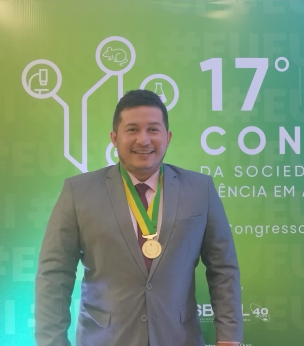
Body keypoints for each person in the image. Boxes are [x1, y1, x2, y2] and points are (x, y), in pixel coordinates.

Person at [35, 89, 243, 346]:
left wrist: (229, 338)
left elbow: (223, 269)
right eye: (132, 129)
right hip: (104, 339)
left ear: (167, 137)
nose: (143, 140)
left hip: (180, 338)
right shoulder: (78, 192)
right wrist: (51, 341)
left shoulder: (200, 190)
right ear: (114, 137)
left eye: (153, 130)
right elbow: (54, 273)